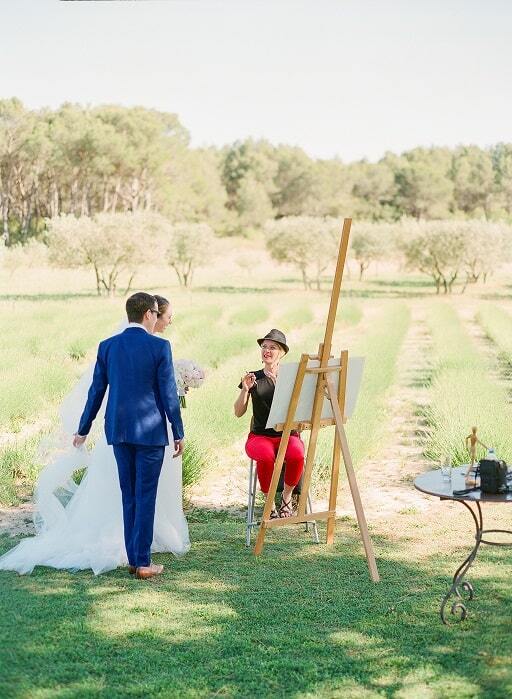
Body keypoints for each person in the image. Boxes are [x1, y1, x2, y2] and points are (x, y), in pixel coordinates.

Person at [0, 293, 189, 578]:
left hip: (119, 432)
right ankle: (143, 563)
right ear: (150, 314)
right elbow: (167, 395)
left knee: (129, 495)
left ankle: (134, 559)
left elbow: (96, 393)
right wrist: (178, 430)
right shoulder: (160, 347)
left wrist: (83, 429)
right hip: (150, 433)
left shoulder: (108, 346)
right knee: (145, 494)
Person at [234, 329, 304, 518]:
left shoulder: (292, 377)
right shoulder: (253, 378)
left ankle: (286, 499)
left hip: (287, 435)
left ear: (281, 353)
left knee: (297, 454)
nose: (267, 350)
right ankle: (269, 503)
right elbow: (239, 412)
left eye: (272, 347)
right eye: (264, 346)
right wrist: (245, 390)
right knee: (265, 457)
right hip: (260, 436)